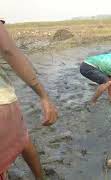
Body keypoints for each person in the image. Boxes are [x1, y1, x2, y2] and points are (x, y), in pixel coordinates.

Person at [0, 19, 58, 180]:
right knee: (22, 138)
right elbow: (8, 50)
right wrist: (43, 95)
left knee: (23, 138)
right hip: (3, 102)